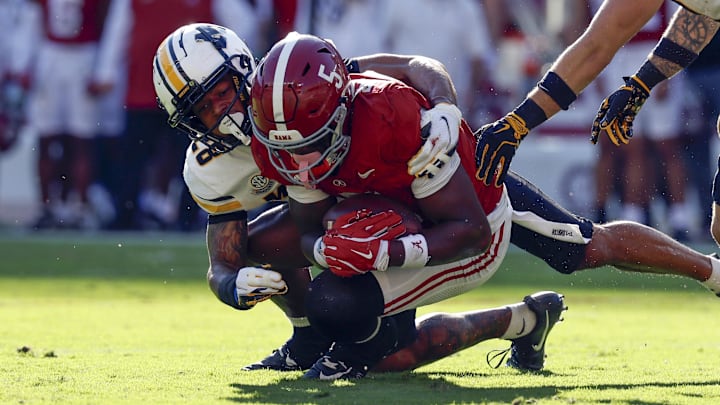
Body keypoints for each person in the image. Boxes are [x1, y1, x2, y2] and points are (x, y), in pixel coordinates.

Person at [152, 23, 561, 378]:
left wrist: (444, 107)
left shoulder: (294, 82)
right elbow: (223, 259)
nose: (220, 111)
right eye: (202, 109)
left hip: (420, 194)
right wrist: (231, 285)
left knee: (581, 247)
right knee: (376, 342)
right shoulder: (211, 166)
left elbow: (415, 67)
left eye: (221, 92)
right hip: (348, 216)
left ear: (242, 69)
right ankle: (310, 339)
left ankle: (360, 328)